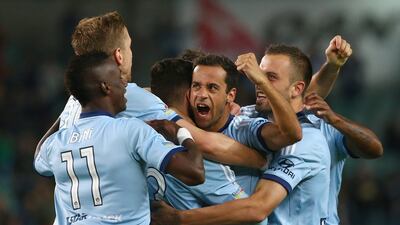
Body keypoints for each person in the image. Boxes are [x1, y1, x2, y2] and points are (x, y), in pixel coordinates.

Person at [36, 11, 267, 170]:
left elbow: (40, 160)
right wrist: (260, 160)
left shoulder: (76, 101)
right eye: (129, 47)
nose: (131, 53)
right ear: (119, 55)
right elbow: (206, 144)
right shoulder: (135, 98)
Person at [151, 45, 331, 225]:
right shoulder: (246, 114)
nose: (258, 84)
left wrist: (179, 219)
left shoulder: (305, 140)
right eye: (196, 86)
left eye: (271, 77)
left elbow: (257, 208)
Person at [34, 52, 205, 225]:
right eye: (118, 77)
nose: (124, 84)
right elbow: (194, 172)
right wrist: (180, 133)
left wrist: (66, 112)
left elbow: (38, 157)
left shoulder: (56, 143)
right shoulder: (131, 130)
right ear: (105, 87)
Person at [239, 36, 383, 225]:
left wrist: (336, 120)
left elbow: (375, 149)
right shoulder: (248, 119)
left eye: (270, 77)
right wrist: (332, 66)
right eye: (260, 73)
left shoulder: (323, 128)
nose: (258, 82)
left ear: (296, 89)